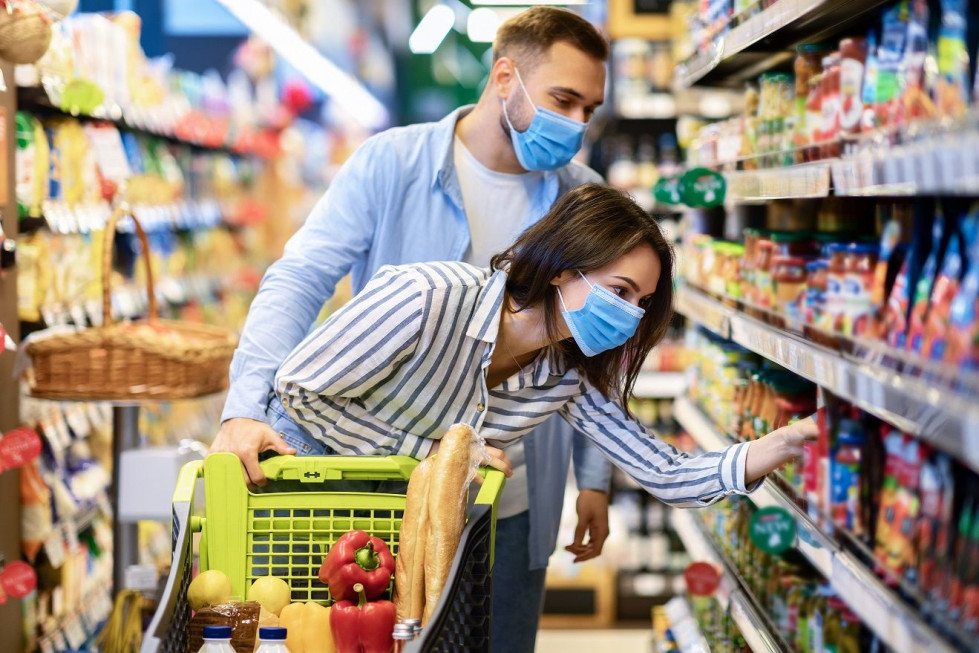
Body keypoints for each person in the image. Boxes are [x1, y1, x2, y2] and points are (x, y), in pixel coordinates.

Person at [211, 7, 614, 649]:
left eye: (589, 110)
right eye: (563, 99)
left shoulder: (581, 194)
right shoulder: (392, 163)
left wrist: (594, 477)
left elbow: (596, 348)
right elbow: (299, 278)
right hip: (385, 489)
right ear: (505, 77)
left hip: (511, 496)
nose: (575, 124)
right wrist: (242, 407)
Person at [272, 183, 815, 519]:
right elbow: (298, 386)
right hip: (301, 497)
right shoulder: (427, 296)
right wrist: (431, 452)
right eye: (620, 291)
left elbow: (666, 472)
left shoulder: (565, 376)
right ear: (561, 267)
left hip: (399, 524)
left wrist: (786, 441)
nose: (630, 313)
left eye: (643, 302)